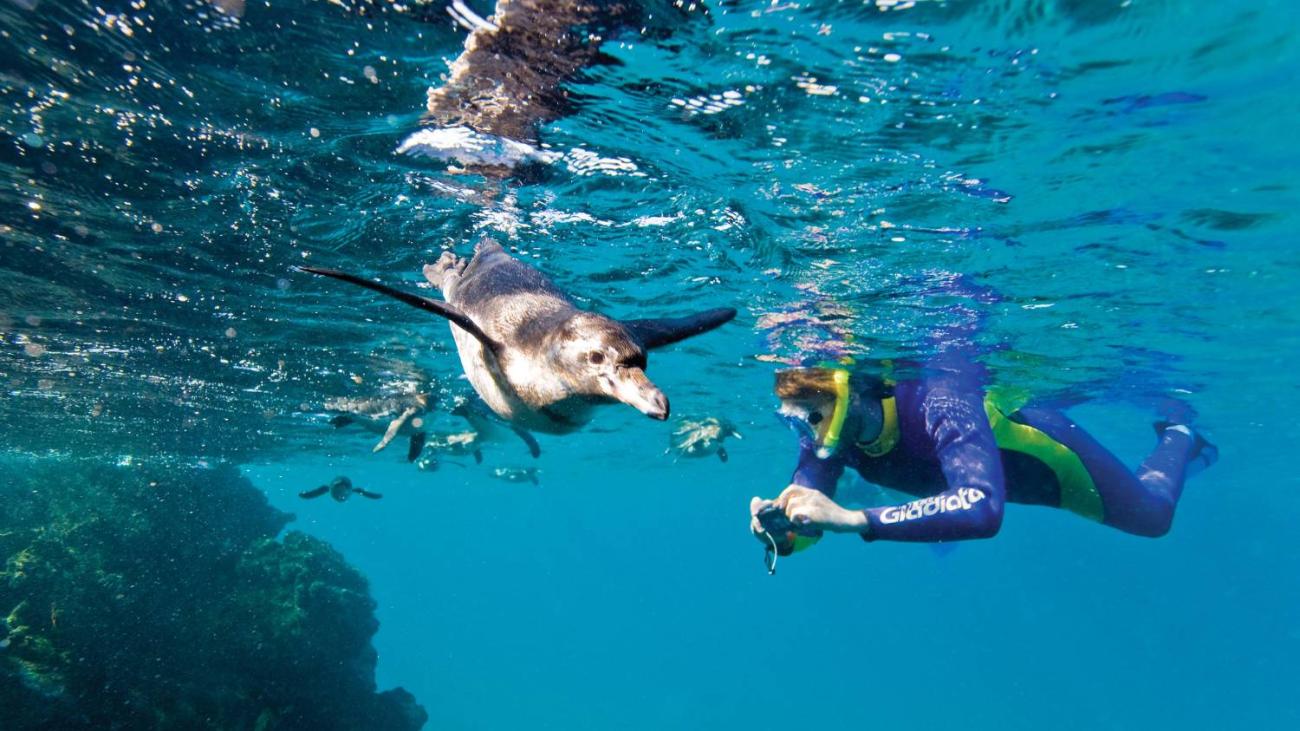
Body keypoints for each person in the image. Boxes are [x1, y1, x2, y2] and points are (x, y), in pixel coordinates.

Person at [749, 363, 1217, 559]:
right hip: (1009, 483)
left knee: (1154, 516)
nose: (808, 435)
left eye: (810, 415)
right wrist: (784, 531)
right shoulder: (830, 436)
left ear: (848, 396)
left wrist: (856, 518)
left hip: (1052, 463)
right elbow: (809, 508)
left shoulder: (939, 399)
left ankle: (1180, 434)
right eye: (795, 422)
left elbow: (981, 506)